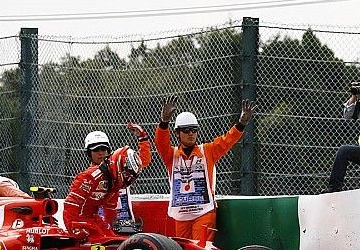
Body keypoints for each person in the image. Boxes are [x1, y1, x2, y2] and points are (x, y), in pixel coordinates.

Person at [155, 96, 256, 241]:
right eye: (186, 130)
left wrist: (241, 124)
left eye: (194, 130)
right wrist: (164, 122)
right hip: (181, 214)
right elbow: (160, 143)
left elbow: (227, 140)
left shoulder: (207, 151)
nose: (191, 133)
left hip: (204, 212)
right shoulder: (171, 155)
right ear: (178, 133)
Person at [63, 146, 143, 239]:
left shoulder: (114, 183)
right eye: (126, 173)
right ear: (118, 165)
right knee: (100, 241)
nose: (128, 178)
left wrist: (116, 227)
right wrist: (73, 228)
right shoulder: (90, 177)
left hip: (93, 218)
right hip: (77, 220)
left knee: (114, 239)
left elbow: (110, 209)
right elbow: (71, 204)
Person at [84, 124, 151, 228]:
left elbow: (142, 161)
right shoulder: (88, 177)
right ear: (89, 153)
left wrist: (142, 138)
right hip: (100, 226)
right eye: (96, 150)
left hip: (125, 223)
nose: (101, 153)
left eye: (103, 149)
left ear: (108, 151)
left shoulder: (120, 167)